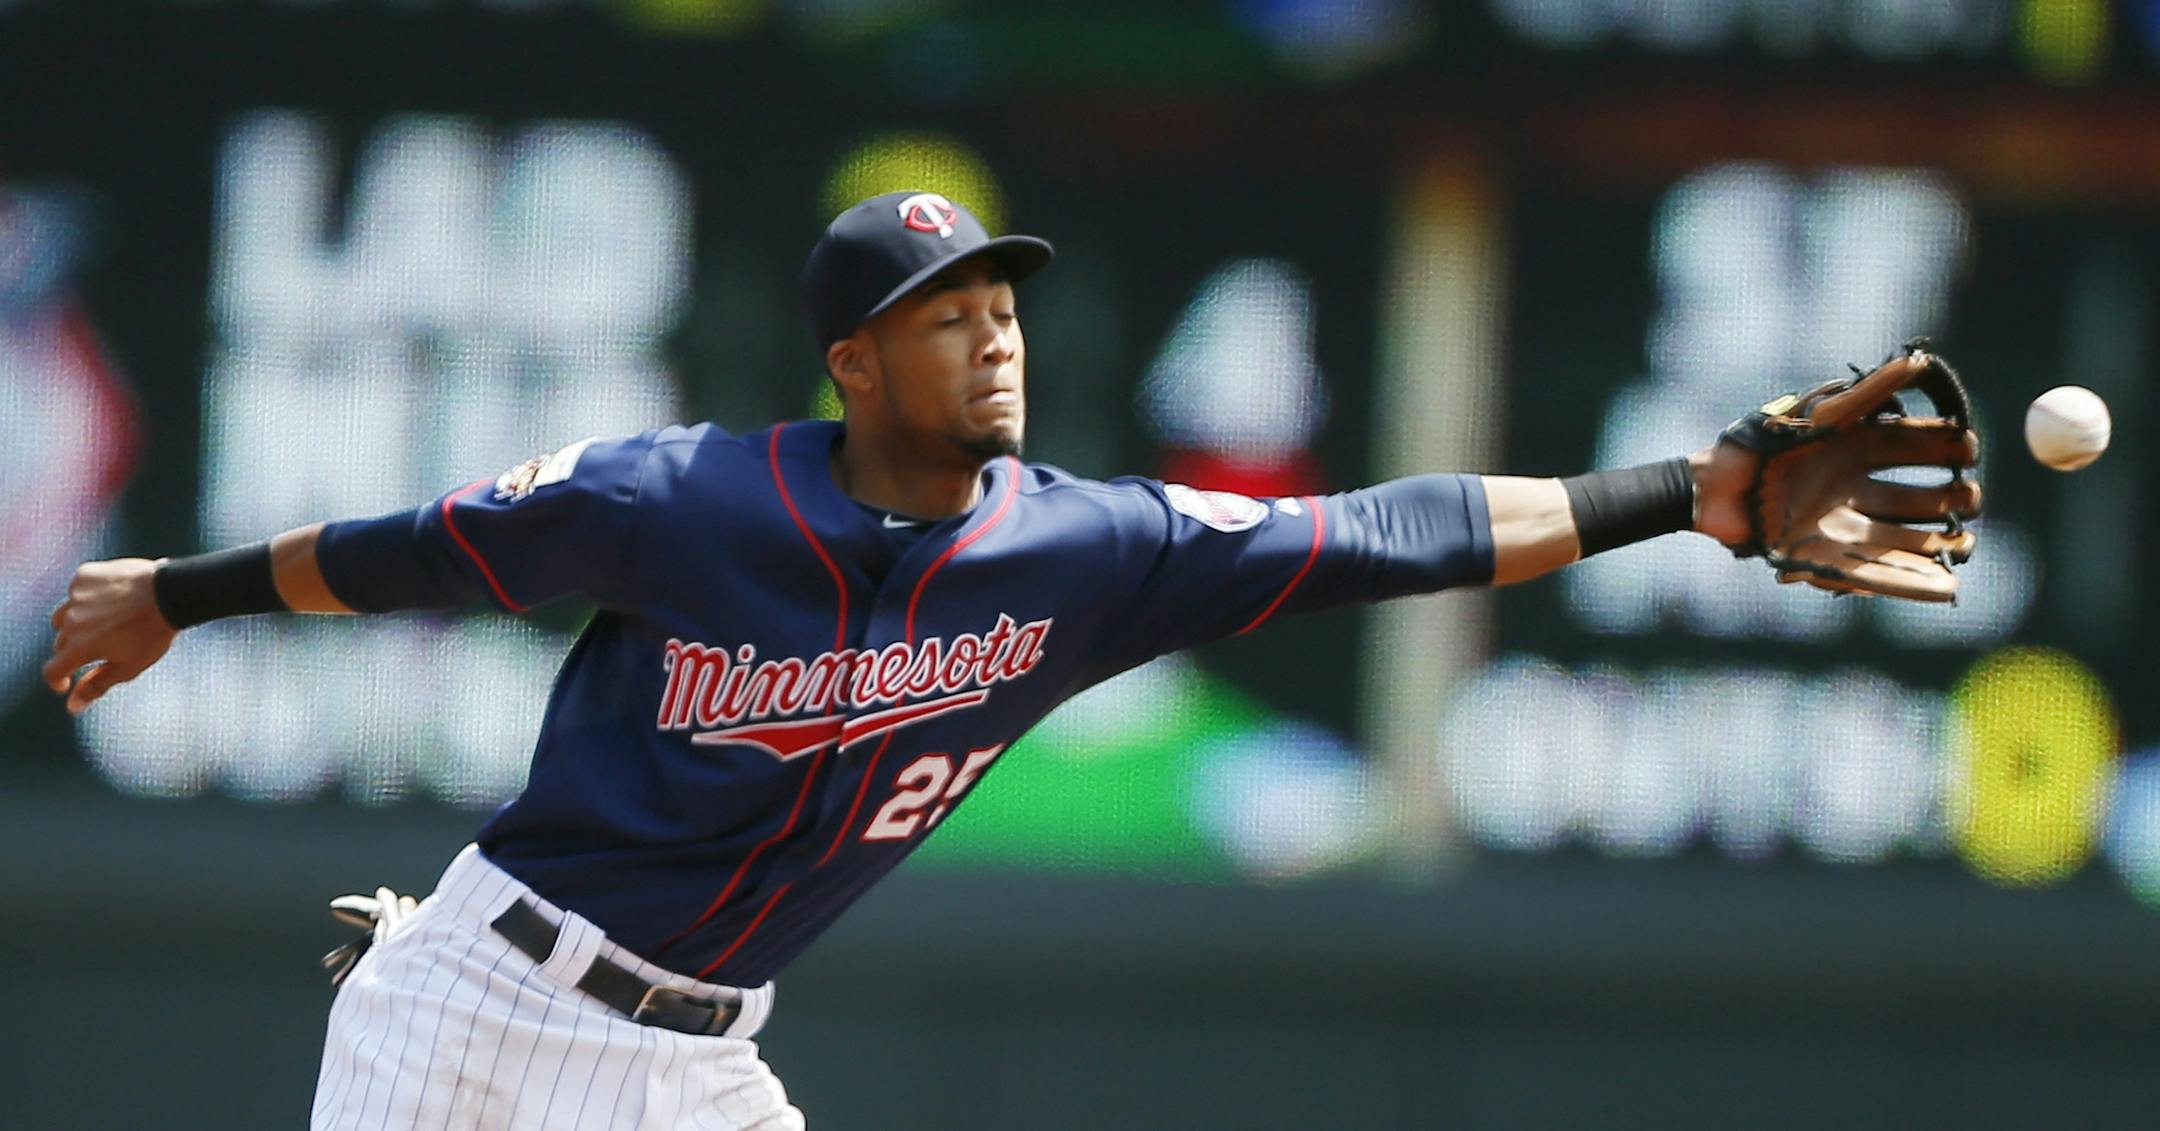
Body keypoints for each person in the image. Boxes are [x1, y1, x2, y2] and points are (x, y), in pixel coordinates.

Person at [45, 189, 1787, 1130]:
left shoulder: (1086, 551)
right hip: (487, 1010)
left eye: (1004, 309)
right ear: (855, 363)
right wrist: (172, 595)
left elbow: (1388, 531)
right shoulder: (680, 500)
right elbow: (407, 553)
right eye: (947, 319)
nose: (994, 339)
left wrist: (1679, 496)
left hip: (695, 1058)